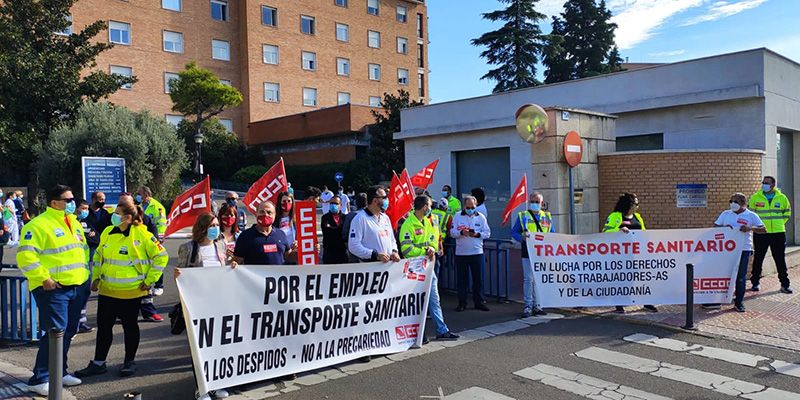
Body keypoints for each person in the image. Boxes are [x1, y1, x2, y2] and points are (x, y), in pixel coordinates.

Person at [76, 201, 168, 379]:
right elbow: (98, 257)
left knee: (130, 327)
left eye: (117, 213)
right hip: (107, 291)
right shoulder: (108, 233)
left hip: (131, 292)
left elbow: (161, 256)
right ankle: (98, 363)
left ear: (128, 217)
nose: (114, 216)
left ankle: (129, 362)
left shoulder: (142, 234)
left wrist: (150, 281)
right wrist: (95, 277)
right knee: (104, 328)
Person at [18, 185, 89, 396]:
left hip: (76, 287)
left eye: (72, 199)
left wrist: (85, 279)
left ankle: (59, 371)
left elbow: (82, 252)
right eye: (67, 200)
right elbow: (26, 257)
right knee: (55, 332)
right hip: (53, 289)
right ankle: (39, 378)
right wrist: (44, 278)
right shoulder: (38, 225)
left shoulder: (74, 223)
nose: (72, 203)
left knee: (67, 332)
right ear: (54, 203)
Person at [174, 213, 237, 400]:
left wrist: (231, 266)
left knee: (218, 346)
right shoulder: (188, 248)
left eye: (217, 224)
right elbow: (182, 275)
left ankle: (216, 384)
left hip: (218, 303)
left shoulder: (221, 244)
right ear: (202, 227)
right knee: (199, 348)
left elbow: (223, 267)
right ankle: (201, 389)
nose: (216, 228)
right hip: (197, 306)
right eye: (212, 225)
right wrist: (178, 275)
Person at [399, 195, 459, 341]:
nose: (431, 208)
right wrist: (425, 252)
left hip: (427, 267)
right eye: (430, 205)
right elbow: (406, 250)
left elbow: (433, 240)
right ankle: (419, 333)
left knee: (434, 299)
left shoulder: (427, 222)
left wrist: (432, 249)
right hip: (414, 269)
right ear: (425, 207)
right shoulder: (409, 224)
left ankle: (442, 330)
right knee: (417, 303)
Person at [709, 193, 765, 312]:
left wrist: (750, 228)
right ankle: (718, 299)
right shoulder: (726, 214)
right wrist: (724, 229)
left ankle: (739, 302)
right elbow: (715, 227)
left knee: (740, 277)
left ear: (743, 202)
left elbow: (763, 229)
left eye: (735, 201)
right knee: (724, 275)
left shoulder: (751, 215)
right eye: (731, 201)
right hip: (726, 250)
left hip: (743, 249)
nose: (732, 204)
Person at [603, 193, 658, 313]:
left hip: (636, 253)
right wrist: (618, 230)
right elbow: (605, 230)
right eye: (636, 204)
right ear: (629, 204)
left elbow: (643, 232)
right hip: (619, 255)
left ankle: (647, 302)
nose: (638, 206)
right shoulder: (615, 216)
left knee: (642, 277)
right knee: (621, 279)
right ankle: (619, 303)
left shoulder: (638, 217)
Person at [120, 193, 164, 322]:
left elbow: (153, 232)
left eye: (126, 204)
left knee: (145, 292)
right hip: (121, 268)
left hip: (141, 265)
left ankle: (149, 312)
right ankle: (122, 314)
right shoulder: (114, 220)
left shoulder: (143, 219)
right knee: (123, 295)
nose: (122, 207)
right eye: (120, 204)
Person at [511, 192, 553, 317]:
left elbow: (553, 233)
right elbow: (514, 232)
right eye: (532, 202)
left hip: (542, 253)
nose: (534, 204)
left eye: (537, 202)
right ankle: (528, 306)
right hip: (528, 252)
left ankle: (538, 306)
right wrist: (521, 238)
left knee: (539, 280)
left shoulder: (547, 217)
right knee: (528, 279)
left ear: (542, 203)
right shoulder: (523, 216)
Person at [749, 176, 793, 293]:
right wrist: (759, 228)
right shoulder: (755, 197)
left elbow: (787, 213)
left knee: (780, 259)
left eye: (767, 183)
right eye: (763, 182)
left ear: (773, 184)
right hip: (761, 233)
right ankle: (755, 282)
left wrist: (778, 225)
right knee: (758, 258)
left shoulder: (782, 198)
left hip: (778, 233)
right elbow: (751, 215)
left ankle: (785, 284)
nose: (764, 184)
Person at [450, 195, 491, 312]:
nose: (470, 209)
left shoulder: (481, 217)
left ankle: (479, 302)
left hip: (477, 252)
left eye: (472, 207)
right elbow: (452, 232)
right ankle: (462, 303)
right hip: (461, 253)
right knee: (462, 280)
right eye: (468, 207)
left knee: (478, 279)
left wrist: (477, 234)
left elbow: (487, 233)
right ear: (464, 206)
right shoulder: (457, 216)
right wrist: (461, 232)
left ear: (476, 206)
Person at [348, 186, 401, 263]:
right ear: (375, 201)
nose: (387, 200)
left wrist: (394, 251)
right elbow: (353, 246)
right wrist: (374, 255)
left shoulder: (385, 218)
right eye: (384, 197)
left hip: (387, 267)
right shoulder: (360, 219)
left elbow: (392, 240)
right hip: (370, 267)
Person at [233, 201, 295, 266]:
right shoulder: (245, 236)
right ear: (256, 213)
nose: (265, 215)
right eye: (262, 212)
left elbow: (288, 256)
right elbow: (237, 261)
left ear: (275, 215)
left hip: (278, 275)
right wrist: (233, 264)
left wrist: (299, 251)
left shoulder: (281, 234)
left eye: (269, 212)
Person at [136, 186, 166, 296]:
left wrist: (159, 237)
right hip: (141, 238)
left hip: (153, 238)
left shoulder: (157, 207)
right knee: (144, 262)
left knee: (157, 261)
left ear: (146, 195)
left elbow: (162, 223)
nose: (138, 195)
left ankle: (159, 285)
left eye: (139, 193)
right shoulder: (139, 206)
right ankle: (146, 284)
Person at [75, 199, 96, 334]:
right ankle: (74, 325)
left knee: (84, 294)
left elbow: (96, 238)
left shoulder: (87, 222)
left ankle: (81, 322)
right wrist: (88, 236)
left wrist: (88, 236)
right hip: (74, 268)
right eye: (83, 208)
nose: (85, 211)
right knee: (75, 297)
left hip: (86, 264)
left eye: (87, 208)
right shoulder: (71, 223)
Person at [322, 195, 348, 264]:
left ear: (341, 205)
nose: (333, 205)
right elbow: (326, 232)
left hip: (342, 252)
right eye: (331, 203)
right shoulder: (325, 218)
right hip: (329, 253)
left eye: (336, 203)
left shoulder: (345, 218)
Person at [343, 193, 368, 262]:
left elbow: (345, 233)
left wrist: (347, 245)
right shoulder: (372, 215)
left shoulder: (350, 215)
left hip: (354, 247)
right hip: (369, 247)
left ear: (356, 202)